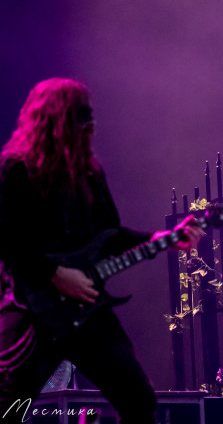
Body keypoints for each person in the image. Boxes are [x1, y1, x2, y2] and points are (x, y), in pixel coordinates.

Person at [0, 78, 205, 423]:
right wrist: (55, 275)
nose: (92, 123)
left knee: (138, 399)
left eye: (92, 115)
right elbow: (8, 239)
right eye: (82, 115)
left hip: (87, 312)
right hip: (34, 310)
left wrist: (166, 237)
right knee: (9, 407)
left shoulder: (89, 173)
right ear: (57, 119)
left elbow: (110, 236)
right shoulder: (17, 168)